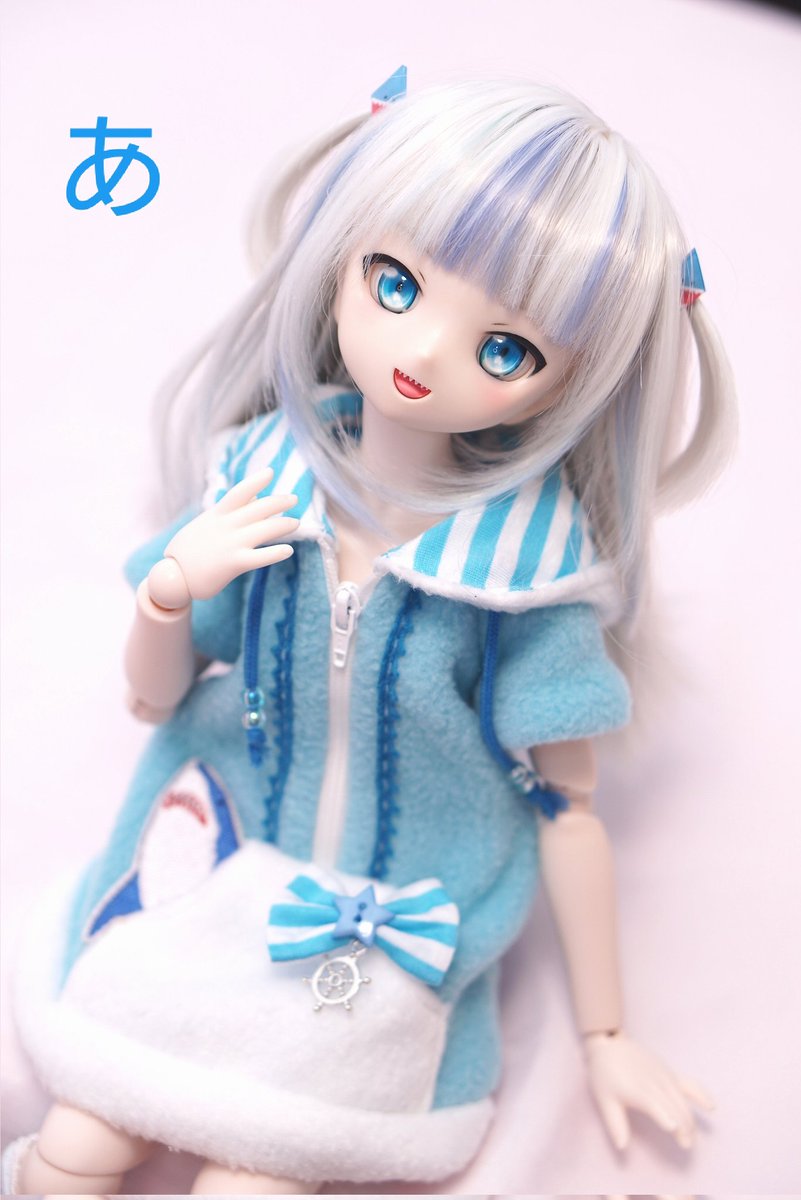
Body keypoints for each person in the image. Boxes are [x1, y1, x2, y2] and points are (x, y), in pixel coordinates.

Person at [4, 76, 735, 1195]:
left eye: (506, 350)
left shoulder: (522, 581)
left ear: (569, 388)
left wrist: (604, 1034)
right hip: (211, 878)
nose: (423, 350)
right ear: (341, 254)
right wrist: (167, 598)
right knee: (78, 1142)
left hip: (381, 933)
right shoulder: (260, 486)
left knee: (263, 1170)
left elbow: (568, 809)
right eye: (395, 282)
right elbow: (153, 699)